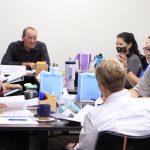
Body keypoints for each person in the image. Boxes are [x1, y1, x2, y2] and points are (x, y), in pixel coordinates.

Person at [74, 59, 150, 150]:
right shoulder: (147, 106)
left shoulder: (93, 116)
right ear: (123, 79)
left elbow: (84, 148)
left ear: (101, 86)